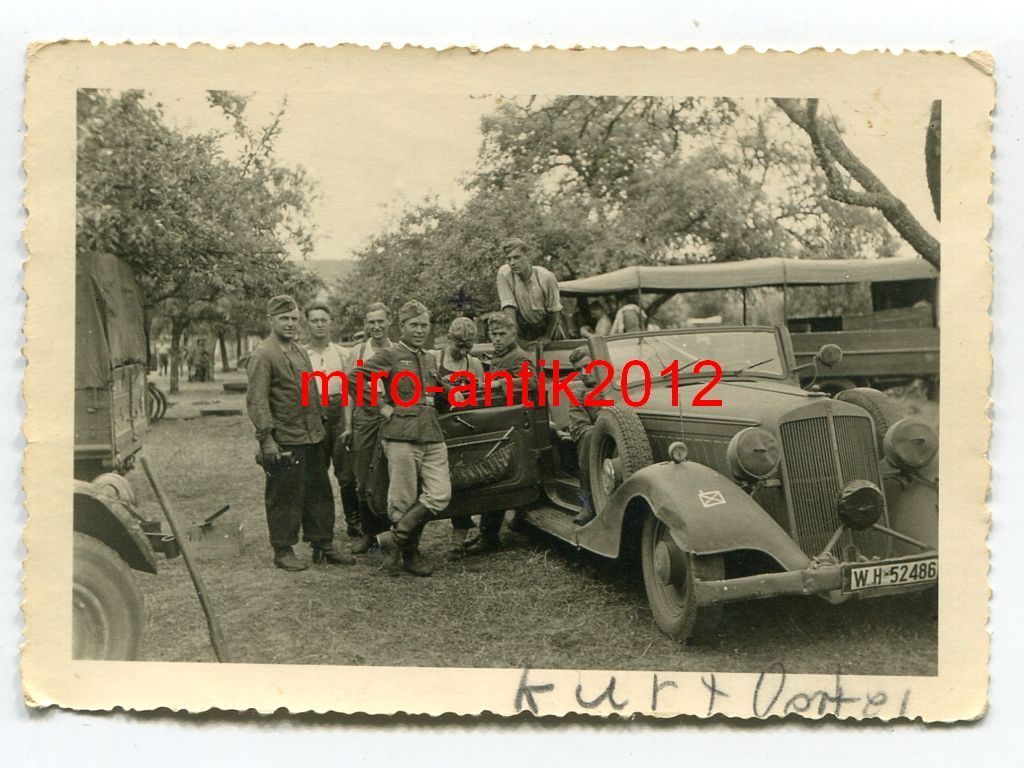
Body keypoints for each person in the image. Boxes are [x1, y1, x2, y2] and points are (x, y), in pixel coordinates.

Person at [246, 295, 354, 571]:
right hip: (285, 438)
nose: (291, 324)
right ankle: (283, 549)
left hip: (312, 435)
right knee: (284, 494)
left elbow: (310, 392)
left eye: (294, 318)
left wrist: (320, 422)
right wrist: (267, 439)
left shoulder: (299, 351)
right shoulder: (264, 355)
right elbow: (257, 401)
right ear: (270, 320)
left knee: (319, 490)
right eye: (284, 318)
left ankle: (323, 543)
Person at [362, 300, 452, 576]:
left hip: (431, 433)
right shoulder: (390, 355)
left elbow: (434, 389)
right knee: (403, 498)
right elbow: (356, 378)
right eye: (414, 325)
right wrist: (381, 407)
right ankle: (410, 554)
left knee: (439, 494)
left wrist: (451, 391)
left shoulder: (429, 357)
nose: (419, 330)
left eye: (424, 325)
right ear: (402, 326)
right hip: (400, 434)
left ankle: (392, 540)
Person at [461, 311, 533, 555]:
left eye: (503, 334)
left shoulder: (519, 357)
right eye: (494, 334)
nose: (498, 338)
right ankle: (487, 533)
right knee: (491, 478)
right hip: (501, 424)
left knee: (498, 479)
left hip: (515, 425)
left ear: (513, 333)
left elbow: (531, 382)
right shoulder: (499, 357)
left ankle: (490, 536)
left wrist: (499, 384)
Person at [303, 303, 362, 539]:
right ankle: (319, 528)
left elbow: (352, 388)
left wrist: (350, 422)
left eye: (323, 320)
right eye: (314, 320)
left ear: (331, 323)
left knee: (347, 473)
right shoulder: (300, 355)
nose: (319, 324)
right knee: (315, 473)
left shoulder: (342, 354)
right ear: (306, 324)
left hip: (339, 411)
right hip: (312, 412)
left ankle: (354, 521)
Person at [340, 302, 395, 554]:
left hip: (392, 416)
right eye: (371, 322)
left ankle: (394, 532)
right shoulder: (359, 351)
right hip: (365, 416)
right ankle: (369, 533)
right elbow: (349, 392)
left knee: (390, 474)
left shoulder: (398, 351)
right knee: (363, 476)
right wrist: (349, 424)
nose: (376, 327)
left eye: (380, 321)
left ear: (389, 321)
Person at [428, 316, 485, 551]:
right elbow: (428, 392)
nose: (463, 351)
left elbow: (480, 397)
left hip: (466, 424)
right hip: (441, 425)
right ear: (449, 338)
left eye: (468, 346)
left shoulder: (475, 363)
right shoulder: (434, 358)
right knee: (444, 480)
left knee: (467, 478)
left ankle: (460, 536)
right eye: (459, 345)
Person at [495, 237, 563, 348]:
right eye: (509, 259)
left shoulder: (546, 277)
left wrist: (547, 337)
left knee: (553, 361)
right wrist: (514, 338)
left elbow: (554, 311)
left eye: (517, 257)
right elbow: (509, 308)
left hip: (548, 328)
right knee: (524, 361)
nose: (512, 263)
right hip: (524, 330)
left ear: (527, 256)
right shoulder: (505, 273)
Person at [566, 346, 602, 526]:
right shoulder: (577, 390)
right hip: (594, 439)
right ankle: (588, 503)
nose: (584, 372)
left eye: (587, 366)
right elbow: (579, 426)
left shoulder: (617, 383)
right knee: (588, 436)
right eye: (578, 369)